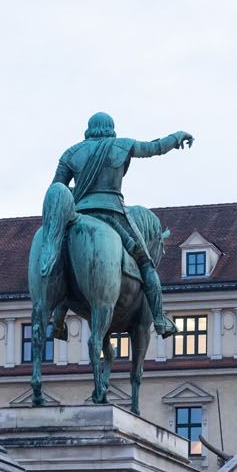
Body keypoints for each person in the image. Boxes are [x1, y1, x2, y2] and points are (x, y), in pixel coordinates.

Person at [50, 112, 191, 337]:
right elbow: (154, 147)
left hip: (79, 215)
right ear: (110, 129)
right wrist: (177, 137)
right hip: (114, 214)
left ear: (89, 129)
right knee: (146, 265)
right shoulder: (121, 146)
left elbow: (57, 190)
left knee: (59, 259)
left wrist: (79, 194)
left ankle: (56, 319)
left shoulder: (71, 153)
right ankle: (160, 319)